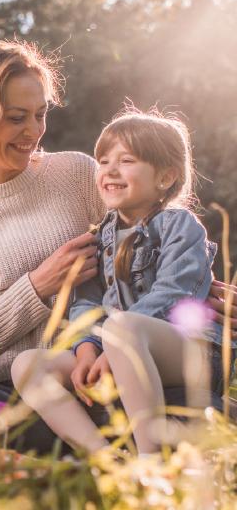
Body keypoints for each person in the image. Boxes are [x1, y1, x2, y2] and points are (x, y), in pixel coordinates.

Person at [0, 39, 237, 453]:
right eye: (17, 118)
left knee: (194, 413)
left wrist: (204, 294)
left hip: (118, 367)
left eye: (40, 114)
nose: (34, 131)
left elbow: (150, 247)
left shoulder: (76, 173)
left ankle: (130, 452)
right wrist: (36, 287)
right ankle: (107, 456)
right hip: (29, 385)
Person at [12, 110, 235, 455]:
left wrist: (113, 345)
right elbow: (85, 303)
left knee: (124, 328)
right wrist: (88, 348)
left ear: (165, 177)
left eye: (127, 160)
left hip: (189, 353)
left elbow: (173, 295)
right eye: (103, 161)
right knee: (28, 364)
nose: (109, 170)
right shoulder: (99, 237)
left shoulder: (180, 226)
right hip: (119, 347)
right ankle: (105, 458)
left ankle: (151, 461)